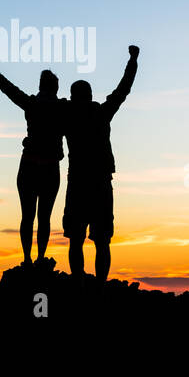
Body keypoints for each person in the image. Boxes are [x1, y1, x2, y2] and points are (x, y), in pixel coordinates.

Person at [0, 58, 66, 265]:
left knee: (28, 216)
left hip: (29, 166)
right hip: (50, 168)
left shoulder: (32, 104)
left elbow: (8, 88)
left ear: (41, 86)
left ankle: (27, 259)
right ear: (55, 88)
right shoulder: (62, 108)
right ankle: (40, 259)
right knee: (44, 218)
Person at [62, 45, 138, 283]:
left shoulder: (68, 115)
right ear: (90, 95)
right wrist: (133, 60)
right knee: (102, 240)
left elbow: (123, 90)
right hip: (99, 184)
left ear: (74, 96)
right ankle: (100, 286)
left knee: (77, 238)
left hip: (79, 183)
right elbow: (123, 89)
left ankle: (79, 283)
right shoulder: (101, 113)